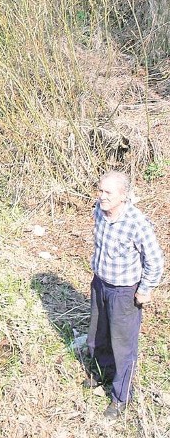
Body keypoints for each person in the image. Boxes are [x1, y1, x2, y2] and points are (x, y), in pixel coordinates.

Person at [85, 170, 164, 420]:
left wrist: (145, 289)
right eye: (100, 190)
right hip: (100, 284)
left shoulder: (136, 224)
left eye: (108, 192)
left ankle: (120, 398)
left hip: (124, 293)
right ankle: (102, 372)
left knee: (123, 346)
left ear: (123, 196)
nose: (102, 196)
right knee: (98, 335)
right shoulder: (99, 210)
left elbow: (155, 260)